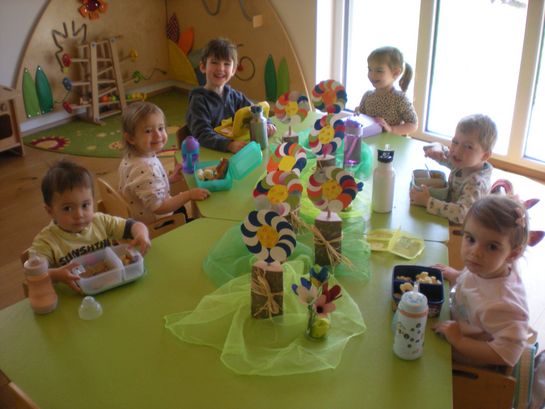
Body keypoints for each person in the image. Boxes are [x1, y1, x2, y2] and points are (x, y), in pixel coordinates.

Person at [433, 195, 531, 368]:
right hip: (454, 322)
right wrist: (457, 276)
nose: (475, 252)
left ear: (512, 255)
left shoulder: (503, 305)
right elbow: (475, 282)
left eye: (492, 246)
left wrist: (459, 340)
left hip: (467, 357)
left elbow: (508, 354)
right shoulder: (487, 268)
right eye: (470, 239)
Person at [30, 160, 151, 293]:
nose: (79, 215)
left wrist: (141, 234)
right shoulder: (46, 241)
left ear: (92, 201)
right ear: (50, 211)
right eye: (67, 208)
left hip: (112, 285)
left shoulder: (100, 221)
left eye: (85, 205)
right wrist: (55, 275)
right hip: (75, 295)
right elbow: (33, 272)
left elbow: (133, 225)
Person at [119, 101, 210, 224]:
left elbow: (144, 186)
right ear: (131, 138)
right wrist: (189, 195)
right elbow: (159, 208)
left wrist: (169, 179)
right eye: (148, 131)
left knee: (181, 208)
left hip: (141, 214)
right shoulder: (146, 168)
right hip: (157, 224)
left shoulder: (131, 157)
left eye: (161, 128)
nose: (158, 135)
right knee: (201, 224)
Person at [184, 37, 276, 153]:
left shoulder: (235, 96)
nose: (220, 68)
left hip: (233, 153)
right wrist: (228, 145)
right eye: (214, 62)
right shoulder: (198, 101)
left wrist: (267, 124)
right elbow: (202, 133)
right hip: (209, 155)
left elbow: (255, 111)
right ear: (203, 67)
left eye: (227, 64)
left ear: (233, 70)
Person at [410, 114, 497, 225]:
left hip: (461, 229)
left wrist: (427, 202)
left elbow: (461, 214)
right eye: (455, 142)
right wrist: (436, 148)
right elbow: (437, 147)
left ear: (485, 156)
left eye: (468, 146)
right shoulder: (463, 161)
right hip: (447, 214)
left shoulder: (476, 183)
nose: (457, 150)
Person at [355, 46, 418, 136]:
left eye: (379, 71)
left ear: (395, 73)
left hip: (392, 143)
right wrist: (357, 115)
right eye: (370, 69)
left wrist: (391, 129)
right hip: (371, 141)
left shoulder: (400, 99)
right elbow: (362, 120)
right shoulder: (367, 96)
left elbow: (413, 124)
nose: (372, 74)